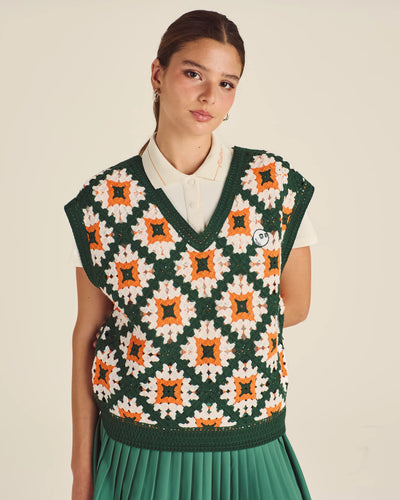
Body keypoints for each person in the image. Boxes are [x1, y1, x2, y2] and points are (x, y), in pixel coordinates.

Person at [65, 9, 317, 500]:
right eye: (193, 73)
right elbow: (87, 334)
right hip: (138, 447)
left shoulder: (273, 185)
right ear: (158, 75)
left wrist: (205, 331)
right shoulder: (104, 202)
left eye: (227, 83)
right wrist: (80, 467)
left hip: (250, 436)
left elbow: (297, 304)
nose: (209, 96)